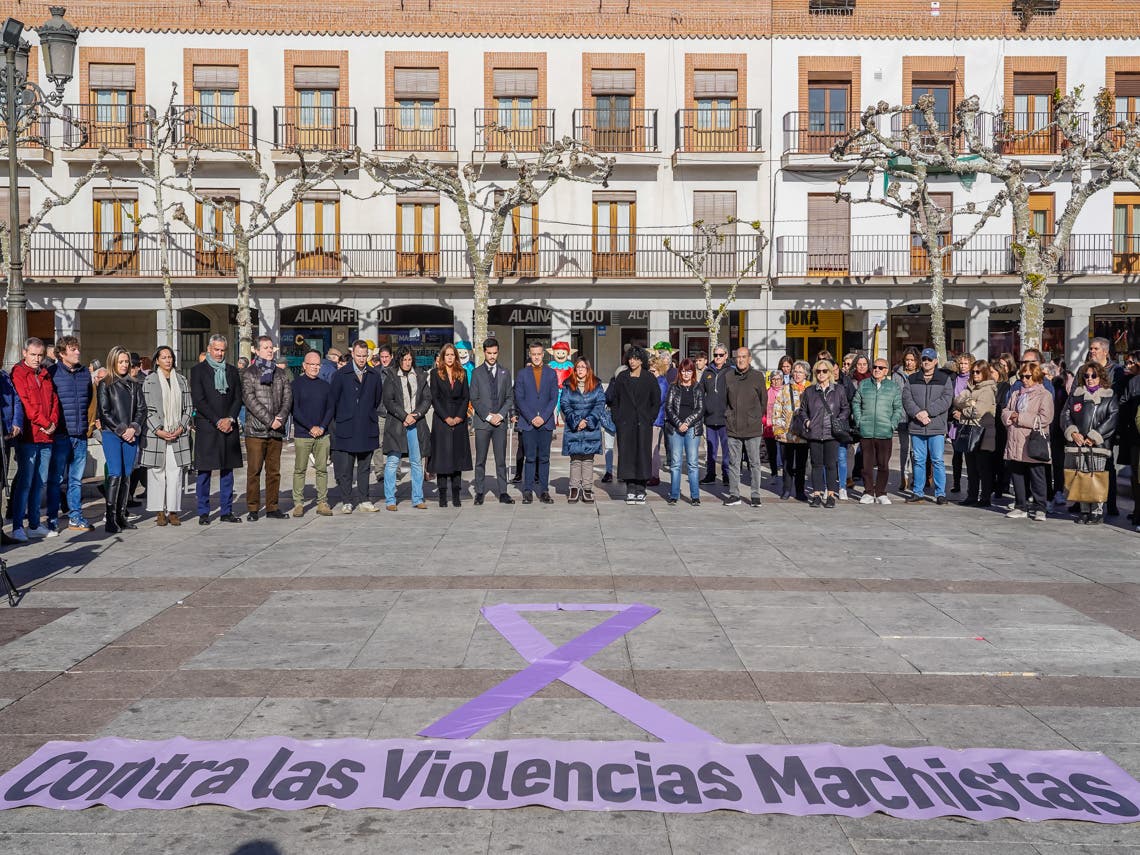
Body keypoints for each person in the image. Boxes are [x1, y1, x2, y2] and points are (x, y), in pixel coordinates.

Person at [10, 337, 62, 541]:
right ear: (24, 353)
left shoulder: (45, 374)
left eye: (40, 355)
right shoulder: (18, 373)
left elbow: (54, 401)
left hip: (47, 437)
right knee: (25, 482)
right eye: (33, 354)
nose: (37, 358)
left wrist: (53, 422)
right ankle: (17, 526)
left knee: (39, 483)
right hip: (29, 437)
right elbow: (25, 403)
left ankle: (33, 524)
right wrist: (44, 422)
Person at [191, 334, 244, 525]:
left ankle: (226, 511)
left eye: (223, 350)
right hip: (208, 427)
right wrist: (217, 420)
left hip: (228, 427)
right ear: (209, 349)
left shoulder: (231, 371)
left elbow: (238, 397)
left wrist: (229, 419)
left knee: (227, 471)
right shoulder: (198, 371)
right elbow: (199, 399)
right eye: (217, 350)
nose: (220, 353)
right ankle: (204, 512)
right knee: (204, 472)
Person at [239, 336, 293, 521]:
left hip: (275, 431)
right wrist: (270, 420)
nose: (269, 351)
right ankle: (253, 509)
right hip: (255, 431)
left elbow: (288, 398)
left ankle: (272, 507)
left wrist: (281, 418)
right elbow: (250, 400)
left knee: (274, 472)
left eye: (271, 347)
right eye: (265, 347)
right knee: (254, 471)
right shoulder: (249, 373)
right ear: (256, 350)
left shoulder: (280, 373)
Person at [329, 339, 384, 513]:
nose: (361, 359)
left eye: (364, 356)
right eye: (358, 355)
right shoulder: (340, 374)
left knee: (364, 466)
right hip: (346, 425)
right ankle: (346, 500)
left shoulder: (374, 375)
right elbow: (334, 401)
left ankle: (364, 499)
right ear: (352, 354)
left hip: (367, 425)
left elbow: (376, 399)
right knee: (346, 467)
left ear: (368, 355)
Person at [1061, 360, 1119, 525]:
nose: (1090, 378)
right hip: (1079, 444)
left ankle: (1097, 511)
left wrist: (1095, 435)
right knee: (1082, 476)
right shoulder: (1076, 395)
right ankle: (1084, 510)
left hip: (1098, 445)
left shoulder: (1109, 396)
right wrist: (1073, 432)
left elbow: (1112, 418)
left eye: (1094, 375)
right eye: (1086, 376)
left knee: (1097, 476)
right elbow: (1065, 414)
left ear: (1100, 376)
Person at [139, 346, 192, 527]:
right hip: (157, 434)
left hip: (178, 434)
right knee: (156, 472)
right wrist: (158, 429)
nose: (168, 360)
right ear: (157, 361)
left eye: (170, 357)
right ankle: (159, 511)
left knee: (175, 472)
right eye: (164, 357)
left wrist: (181, 427)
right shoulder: (150, 380)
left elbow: (188, 408)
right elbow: (145, 409)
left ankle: (173, 511)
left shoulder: (182, 380)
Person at [47, 336, 94, 532]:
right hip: (60, 435)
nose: (77, 352)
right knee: (56, 479)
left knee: (76, 480)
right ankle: (51, 519)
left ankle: (75, 516)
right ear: (61, 353)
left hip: (80, 434)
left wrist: (89, 427)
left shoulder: (84, 373)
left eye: (77, 349)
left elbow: (91, 400)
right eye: (72, 350)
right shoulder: (52, 373)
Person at [97, 346, 145, 534]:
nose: (124, 365)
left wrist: (134, 428)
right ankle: (110, 518)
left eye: (126, 362)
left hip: (131, 434)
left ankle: (121, 515)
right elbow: (104, 411)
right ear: (113, 362)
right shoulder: (105, 383)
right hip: (112, 434)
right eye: (121, 362)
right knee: (115, 473)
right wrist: (122, 429)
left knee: (126, 474)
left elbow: (142, 409)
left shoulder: (134, 384)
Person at [607, 346, 661, 504]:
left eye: (636, 358)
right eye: (630, 358)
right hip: (625, 424)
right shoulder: (622, 377)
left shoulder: (649, 378)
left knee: (643, 456)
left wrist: (649, 418)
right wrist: (617, 418)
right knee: (627, 456)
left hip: (643, 423)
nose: (632, 361)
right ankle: (630, 489)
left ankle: (641, 488)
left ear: (641, 360)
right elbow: (614, 401)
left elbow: (656, 401)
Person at [1002, 361, 1054, 521]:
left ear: (1036, 377)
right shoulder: (1016, 394)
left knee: (1037, 475)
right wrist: (1010, 416)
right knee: (1017, 473)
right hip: (1015, 439)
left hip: (1032, 441)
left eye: (1027, 376)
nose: (1024, 379)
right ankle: (1020, 505)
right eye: (1022, 376)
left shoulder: (1044, 395)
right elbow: (1005, 410)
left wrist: (1021, 418)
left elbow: (1046, 418)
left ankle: (1040, 507)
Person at [902, 347, 954, 505]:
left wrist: (927, 412)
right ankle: (918, 491)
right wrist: (918, 413)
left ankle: (940, 493)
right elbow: (906, 399)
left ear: (936, 362)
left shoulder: (944, 379)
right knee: (918, 460)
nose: (926, 362)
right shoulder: (911, 379)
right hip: (917, 426)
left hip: (936, 427)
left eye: (929, 360)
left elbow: (946, 400)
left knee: (937, 460)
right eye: (924, 359)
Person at [381, 346, 429, 511]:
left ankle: (417, 497)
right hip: (397, 425)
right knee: (393, 461)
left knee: (416, 462)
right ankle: (390, 499)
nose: (407, 363)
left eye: (409, 359)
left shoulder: (420, 375)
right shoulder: (391, 376)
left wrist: (415, 415)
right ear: (399, 360)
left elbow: (427, 399)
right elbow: (389, 400)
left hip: (416, 423)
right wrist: (404, 416)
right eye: (404, 360)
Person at [799, 359, 851, 508]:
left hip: (831, 433)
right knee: (816, 465)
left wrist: (839, 420)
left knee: (830, 465)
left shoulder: (838, 389)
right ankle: (816, 494)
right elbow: (802, 410)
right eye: (818, 371)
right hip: (815, 433)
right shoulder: (810, 391)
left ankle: (831, 496)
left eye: (824, 371)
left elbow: (845, 408)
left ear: (829, 373)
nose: (821, 374)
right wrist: (807, 422)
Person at [470, 337, 515, 505]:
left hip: (500, 424)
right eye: (489, 353)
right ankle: (479, 492)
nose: (492, 356)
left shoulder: (505, 372)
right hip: (483, 423)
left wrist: (501, 415)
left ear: (498, 352)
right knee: (480, 459)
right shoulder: (476, 373)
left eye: (495, 353)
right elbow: (474, 398)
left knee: (501, 460)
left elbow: (509, 398)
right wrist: (489, 416)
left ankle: (503, 492)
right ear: (484, 352)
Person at [852, 358, 903, 504]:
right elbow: (856, 402)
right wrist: (859, 420)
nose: (877, 370)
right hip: (866, 431)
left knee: (883, 464)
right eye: (874, 367)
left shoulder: (893, 387)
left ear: (886, 371)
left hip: (884, 431)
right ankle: (868, 492)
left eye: (881, 368)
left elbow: (898, 408)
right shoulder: (864, 384)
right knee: (866, 465)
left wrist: (892, 424)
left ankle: (881, 492)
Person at [290, 350, 335, 517]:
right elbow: (295, 409)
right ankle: (298, 503)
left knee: (322, 469)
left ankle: (322, 502)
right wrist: (310, 427)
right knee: (300, 469)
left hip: (323, 435)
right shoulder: (296, 384)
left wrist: (322, 427)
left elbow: (330, 408)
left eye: (318, 365)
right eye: (312, 364)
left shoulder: (325, 386)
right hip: (303, 434)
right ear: (304, 365)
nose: (315, 367)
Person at [429, 343, 473, 507]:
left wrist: (459, 417)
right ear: (442, 357)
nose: (449, 358)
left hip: (459, 419)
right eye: (447, 355)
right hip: (441, 420)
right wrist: (447, 417)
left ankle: (456, 494)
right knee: (442, 458)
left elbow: (465, 397)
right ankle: (442, 495)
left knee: (457, 458)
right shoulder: (435, 373)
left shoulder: (462, 373)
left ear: (456, 357)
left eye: (452, 355)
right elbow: (435, 397)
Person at [514, 341, 558, 504]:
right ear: (530, 354)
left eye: (539, 354)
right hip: (528, 422)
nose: (537, 357)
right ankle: (527, 491)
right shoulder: (522, 374)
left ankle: (544, 491)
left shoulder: (551, 373)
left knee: (544, 458)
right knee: (530, 457)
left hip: (545, 423)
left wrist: (544, 416)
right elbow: (519, 398)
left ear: (543, 354)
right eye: (534, 354)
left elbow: (554, 397)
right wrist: (532, 417)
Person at [951, 359, 998, 508]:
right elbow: (957, 400)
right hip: (968, 430)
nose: (975, 374)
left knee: (983, 467)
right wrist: (969, 403)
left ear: (984, 372)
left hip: (983, 431)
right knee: (971, 466)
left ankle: (985, 497)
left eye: (978, 372)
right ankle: (971, 495)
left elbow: (977, 411)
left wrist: (963, 412)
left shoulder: (988, 389)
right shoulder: (970, 387)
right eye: (973, 372)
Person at [724, 346, 766, 507]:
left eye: (743, 357)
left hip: (752, 427)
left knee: (754, 463)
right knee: (734, 462)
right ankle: (734, 494)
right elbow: (724, 401)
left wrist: (755, 417)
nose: (740, 360)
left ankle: (755, 495)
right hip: (733, 427)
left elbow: (763, 401)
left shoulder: (757, 376)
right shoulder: (729, 376)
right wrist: (728, 416)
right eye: (738, 357)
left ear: (749, 359)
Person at [560, 357, 607, 503]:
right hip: (574, 427)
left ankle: (587, 488)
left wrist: (588, 420)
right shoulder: (568, 384)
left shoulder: (597, 384)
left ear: (588, 369)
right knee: (575, 459)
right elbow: (564, 404)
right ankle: (574, 488)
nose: (580, 370)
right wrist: (576, 420)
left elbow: (600, 403)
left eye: (583, 367)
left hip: (590, 427)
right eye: (578, 367)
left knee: (588, 460)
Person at [1087, 337, 1121, 517]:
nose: (1092, 351)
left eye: (1095, 349)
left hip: (1106, 425)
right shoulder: (1085, 369)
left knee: (1107, 465)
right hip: (1086, 423)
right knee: (1084, 464)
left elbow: (1119, 398)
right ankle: (1083, 500)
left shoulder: (1116, 371)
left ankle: (1111, 503)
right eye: (1091, 348)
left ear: (1105, 352)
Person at [664, 358, 705, 506]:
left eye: (689, 370)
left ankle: (695, 496)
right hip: (675, 428)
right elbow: (668, 408)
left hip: (692, 428)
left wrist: (687, 422)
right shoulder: (673, 387)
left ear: (693, 372)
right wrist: (679, 423)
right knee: (675, 463)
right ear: (679, 371)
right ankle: (674, 495)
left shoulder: (698, 387)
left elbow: (700, 409)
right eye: (683, 370)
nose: (686, 373)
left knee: (692, 463)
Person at [772, 360, 809, 501]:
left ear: (806, 373)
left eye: (800, 371)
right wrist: (778, 429)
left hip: (803, 434)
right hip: (787, 433)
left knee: (801, 465)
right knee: (787, 464)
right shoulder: (785, 389)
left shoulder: (810, 389)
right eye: (795, 371)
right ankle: (786, 489)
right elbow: (777, 409)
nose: (797, 374)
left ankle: (800, 490)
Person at [700, 344, 731, 486]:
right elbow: (700, 393)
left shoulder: (731, 372)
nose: (717, 358)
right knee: (711, 448)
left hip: (726, 418)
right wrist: (704, 409)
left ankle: (726, 475)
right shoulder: (707, 372)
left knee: (726, 450)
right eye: (715, 355)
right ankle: (710, 474)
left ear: (726, 356)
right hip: (710, 417)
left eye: (720, 355)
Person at [0, 369, 23, 545]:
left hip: (4, 438)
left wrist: (15, 422)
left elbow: (16, 400)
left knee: (0, 484)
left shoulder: (4, 376)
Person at [948, 353, 976, 495]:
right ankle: (956, 483)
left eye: (966, 363)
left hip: (969, 421)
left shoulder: (974, 380)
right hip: (955, 422)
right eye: (961, 363)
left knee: (970, 455)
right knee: (957, 454)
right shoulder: (953, 378)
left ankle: (973, 485)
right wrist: (954, 412)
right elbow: (949, 398)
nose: (963, 366)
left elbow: (975, 401)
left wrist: (963, 413)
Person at [893, 348, 918, 493]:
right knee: (904, 449)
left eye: (912, 360)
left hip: (916, 417)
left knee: (916, 450)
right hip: (902, 417)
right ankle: (904, 477)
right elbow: (896, 395)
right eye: (907, 360)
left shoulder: (921, 374)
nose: (909, 363)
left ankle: (916, 478)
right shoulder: (897, 375)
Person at [647, 354, 671, 488]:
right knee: (650, 448)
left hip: (656, 420)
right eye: (649, 370)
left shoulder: (661, 382)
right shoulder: (655, 381)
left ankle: (654, 475)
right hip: (652, 419)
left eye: (653, 371)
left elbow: (658, 400)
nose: (651, 373)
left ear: (659, 370)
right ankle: (651, 473)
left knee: (653, 449)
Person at [762, 371, 783, 488]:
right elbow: (762, 411)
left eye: (778, 379)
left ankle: (786, 473)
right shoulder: (767, 393)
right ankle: (774, 473)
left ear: (782, 380)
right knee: (772, 453)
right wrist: (765, 421)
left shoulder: (785, 391)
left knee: (784, 453)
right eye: (773, 379)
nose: (775, 381)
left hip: (783, 427)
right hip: (769, 427)